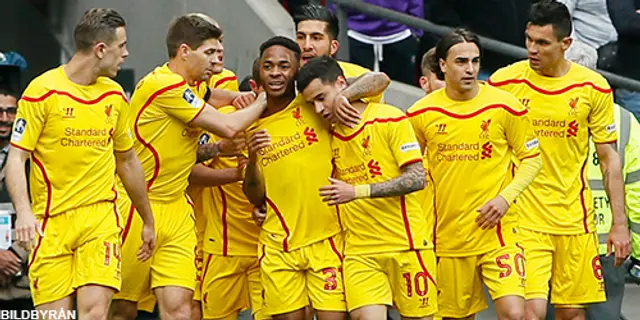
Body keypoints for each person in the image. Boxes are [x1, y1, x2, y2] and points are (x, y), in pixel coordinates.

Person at [109, 14, 268, 320]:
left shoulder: (192, 85)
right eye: (208, 53)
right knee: (121, 309)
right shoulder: (163, 85)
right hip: (137, 205)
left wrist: (239, 97)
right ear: (184, 51)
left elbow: (212, 96)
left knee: (182, 309)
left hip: (178, 208)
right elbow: (225, 125)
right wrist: (263, 100)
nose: (216, 61)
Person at [5, 8, 156, 319]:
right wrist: (23, 211)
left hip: (100, 220)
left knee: (94, 314)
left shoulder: (115, 96)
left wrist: (147, 219)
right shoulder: (41, 92)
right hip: (50, 224)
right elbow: (17, 157)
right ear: (101, 50)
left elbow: (127, 161)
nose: (126, 54)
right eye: (122, 46)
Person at [487, 1, 631, 319]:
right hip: (522, 220)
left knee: (571, 314)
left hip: (572, 220)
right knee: (528, 313)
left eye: (542, 43)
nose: (532, 49)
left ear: (566, 44)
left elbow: (609, 160)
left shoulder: (592, 88)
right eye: (529, 39)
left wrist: (620, 225)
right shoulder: (504, 82)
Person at [243, 36, 389, 320]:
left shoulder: (313, 104)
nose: (275, 73)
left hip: (327, 240)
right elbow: (255, 197)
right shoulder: (249, 124)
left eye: (284, 66)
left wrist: (343, 97)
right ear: (259, 72)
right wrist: (251, 159)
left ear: (297, 69)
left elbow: (380, 79)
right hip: (279, 245)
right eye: (268, 66)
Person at [407, 28, 542, 320]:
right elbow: (410, 170)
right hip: (450, 236)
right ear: (442, 65)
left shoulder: (505, 105)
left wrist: (505, 199)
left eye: (475, 61)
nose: (470, 69)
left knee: (516, 313)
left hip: (499, 232)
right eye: (461, 62)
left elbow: (532, 159)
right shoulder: (420, 113)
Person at [297, 55, 437, 320]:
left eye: (321, 98)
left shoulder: (389, 119)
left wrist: (357, 192)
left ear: (341, 84)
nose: (318, 109)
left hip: (407, 245)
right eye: (311, 103)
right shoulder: (325, 134)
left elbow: (417, 178)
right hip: (359, 253)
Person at [189, 58, 265, 320]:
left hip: (271, 247)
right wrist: (237, 174)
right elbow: (190, 171)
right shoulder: (225, 122)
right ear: (255, 87)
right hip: (223, 246)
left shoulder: (291, 122)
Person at [293, 4, 383, 105]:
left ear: (333, 47)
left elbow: (380, 80)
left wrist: (343, 96)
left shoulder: (358, 74)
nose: (307, 46)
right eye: (301, 37)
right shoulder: (284, 77)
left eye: (316, 38)